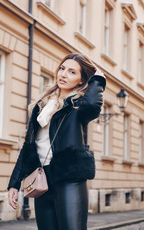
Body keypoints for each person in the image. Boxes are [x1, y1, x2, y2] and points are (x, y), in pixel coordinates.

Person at [8, 52, 106, 230]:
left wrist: (98, 79)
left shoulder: (77, 106)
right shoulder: (41, 105)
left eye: (71, 72)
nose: (63, 74)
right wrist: (14, 183)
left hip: (69, 179)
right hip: (42, 180)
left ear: (81, 80)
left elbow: (93, 106)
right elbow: (28, 146)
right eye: (62, 68)